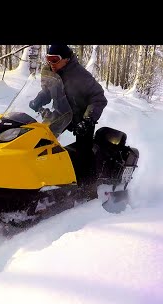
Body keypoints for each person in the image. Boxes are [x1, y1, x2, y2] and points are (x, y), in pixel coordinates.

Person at [29, 44, 108, 197]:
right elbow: (48, 90)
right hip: (62, 112)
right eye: (48, 59)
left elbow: (98, 97)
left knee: (84, 149)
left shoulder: (80, 75)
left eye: (55, 60)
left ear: (66, 59)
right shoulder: (50, 70)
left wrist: (88, 120)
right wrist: (38, 100)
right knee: (41, 140)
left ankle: (88, 189)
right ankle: (42, 176)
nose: (51, 63)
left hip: (82, 117)